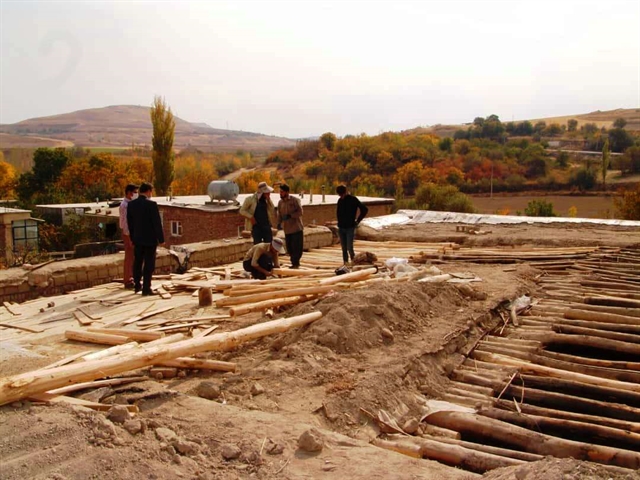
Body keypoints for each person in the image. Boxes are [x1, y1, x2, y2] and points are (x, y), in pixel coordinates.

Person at [127, 182, 164, 295]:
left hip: (137, 239)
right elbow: (156, 223)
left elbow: (130, 224)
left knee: (137, 262)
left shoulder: (131, 205)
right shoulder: (151, 204)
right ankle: (146, 288)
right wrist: (161, 239)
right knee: (149, 264)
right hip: (150, 239)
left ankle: (137, 285)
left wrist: (132, 238)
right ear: (148, 191)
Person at [336, 184, 368, 266]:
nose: (341, 196)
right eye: (340, 195)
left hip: (350, 227)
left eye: (342, 194)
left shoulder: (353, 200)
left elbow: (364, 209)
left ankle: (354, 263)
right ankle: (345, 263)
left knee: (350, 247)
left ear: (345, 192)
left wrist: (358, 220)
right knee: (343, 248)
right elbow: (338, 213)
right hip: (341, 227)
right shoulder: (340, 201)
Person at [276, 184, 304, 268]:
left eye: (282, 192)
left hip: (296, 228)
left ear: (287, 192)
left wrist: (291, 215)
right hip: (287, 229)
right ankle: (293, 262)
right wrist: (278, 223)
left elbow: (300, 212)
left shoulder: (294, 200)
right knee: (289, 247)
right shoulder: (280, 202)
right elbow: (279, 214)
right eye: (280, 192)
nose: (280, 193)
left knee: (297, 247)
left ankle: (296, 263)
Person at [119, 183, 138, 289]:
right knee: (129, 257)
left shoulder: (128, 204)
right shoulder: (125, 205)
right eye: (134, 192)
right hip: (128, 234)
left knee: (132, 257)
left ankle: (131, 277)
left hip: (130, 233)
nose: (136, 194)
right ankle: (127, 279)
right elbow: (125, 223)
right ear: (129, 193)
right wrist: (129, 237)